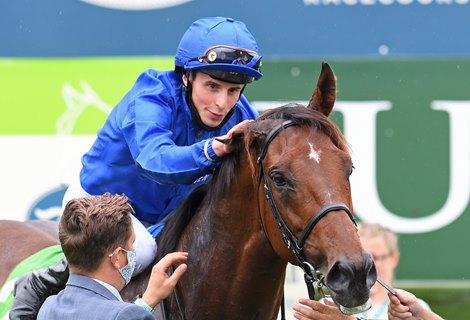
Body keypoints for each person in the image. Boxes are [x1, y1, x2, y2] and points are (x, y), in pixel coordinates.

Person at [11, 16, 263, 319]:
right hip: (99, 207)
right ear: (186, 77)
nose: (222, 103)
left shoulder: (242, 116)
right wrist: (212, 149)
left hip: (164, 221)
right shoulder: (151, 93)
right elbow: (153, 160)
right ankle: (44, 281)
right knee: (139, 250)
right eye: (212, 86)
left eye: (233, 91)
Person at [36, 193, 188, 320]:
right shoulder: (129, 315)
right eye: (132, 244)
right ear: (117, 257)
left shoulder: (48, 308)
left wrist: (147, 302)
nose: (133, 250)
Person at [292, 222, 430, 320]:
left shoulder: (414, 311)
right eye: (359, 257)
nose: (366, 265)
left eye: (374, 257)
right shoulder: (327, 307)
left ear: (394, 259)